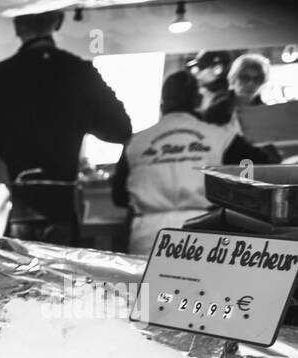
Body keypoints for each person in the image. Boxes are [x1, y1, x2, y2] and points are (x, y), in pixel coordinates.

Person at [0, 10, 132, 245]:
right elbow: (120, 129)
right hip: (63, 206)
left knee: (20, 280)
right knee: (61, 281)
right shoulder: (80, 72)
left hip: (14, 209)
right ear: (58, 22)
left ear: (17, 27)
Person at [112, 71, 274, 255]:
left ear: (162, 103)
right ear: (197, 100)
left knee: (149, 284)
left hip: (147, 237)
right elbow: (262, 167)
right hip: (204, 233)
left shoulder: (136, 143)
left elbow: (119, 198)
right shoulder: (221, 138)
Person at [203, 53, 270, 130]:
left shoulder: (267, 112)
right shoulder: (216, 110)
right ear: (233, 79)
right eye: (244, 78)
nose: (251, 83)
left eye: (257, 79)